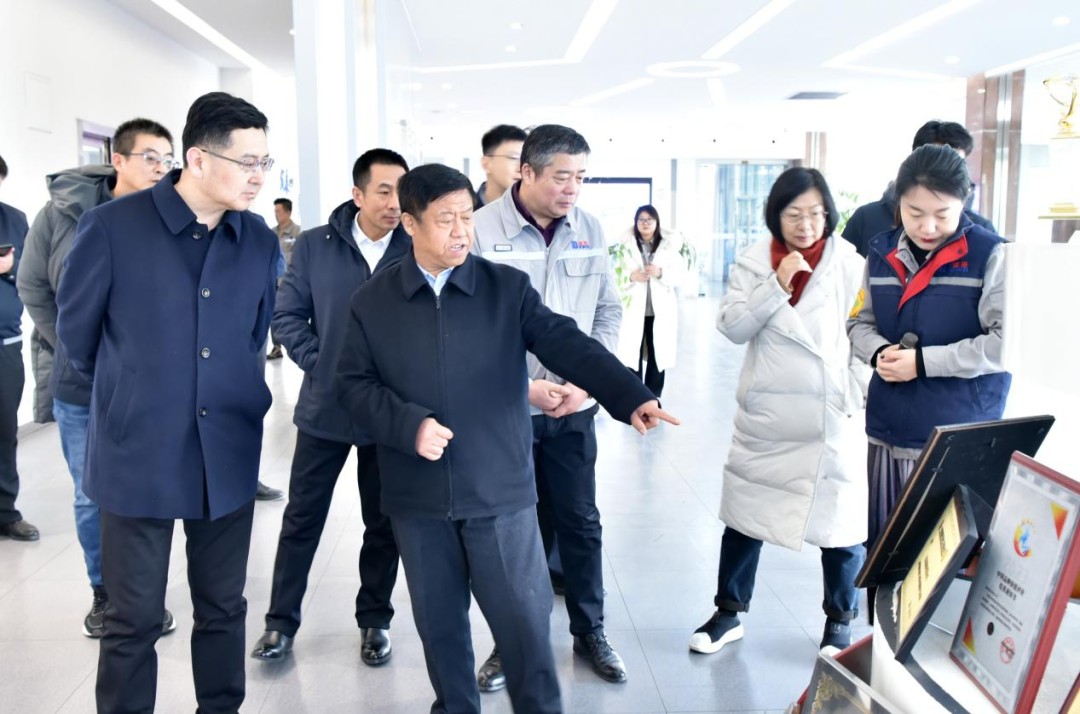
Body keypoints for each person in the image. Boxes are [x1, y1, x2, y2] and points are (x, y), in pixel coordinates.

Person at [336, 163, 678, 714]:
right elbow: (353, 385)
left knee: (524, 624)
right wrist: (409, 425)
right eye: (445, 219)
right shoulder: (373, 302)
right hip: (417, 497)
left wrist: (628, 393)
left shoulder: (505, 289)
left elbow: (566, 342)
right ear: (410, 223)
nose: (461, 232)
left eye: (467, 217)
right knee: (440, 627)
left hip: (498, 489)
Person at [56, 92, 280, 714]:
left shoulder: (258, 239)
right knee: (133, 619)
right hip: (138, 452)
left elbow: (254, 335)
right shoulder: (112, 228)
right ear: (198, 159)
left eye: (265, 162)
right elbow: (78, 337)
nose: (259, 176)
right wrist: (137, 393)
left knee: (223, 608)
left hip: (226, 449)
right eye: (247, 162)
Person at [471, 124, 628, 689]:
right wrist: (524, 388)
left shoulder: (590, 229)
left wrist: (588, 382)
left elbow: (608, 311)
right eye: (562, 176)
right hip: (508, 412)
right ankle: (511, 642)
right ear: (527, 172)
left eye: (581, 177)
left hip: (574, 410)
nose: (572, 189)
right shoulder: (480, 229)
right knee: (514, 533)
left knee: (580, 522)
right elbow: (467, 328)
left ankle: (591, 632)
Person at [690, 168, 869, 658]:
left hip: (830, 412)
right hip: (769, 412)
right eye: (794, 214)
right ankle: (728, 614)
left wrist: (854, 391)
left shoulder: (850, 264)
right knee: (746, 515)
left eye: (815, 213)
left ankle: (840, 620)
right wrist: (776, 284)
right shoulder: (754, 263)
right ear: (776, 215)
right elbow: (733, 326)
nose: (806, 224)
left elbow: (865, 331)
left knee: (839, 524)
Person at [17, 119, 180, 636]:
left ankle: (142, 592)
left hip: (148, 383)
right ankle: (105, 593)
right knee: (92, 492)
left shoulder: (171, 216)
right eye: (150, 157)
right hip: (80, 383)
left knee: (148, 487)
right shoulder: (62, 214)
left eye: (167, 159)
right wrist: (76, 344)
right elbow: (32, 284)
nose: (160, 168)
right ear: (119, 160)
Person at [251, 149, 410, 666]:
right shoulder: (316, 245)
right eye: (383, 191)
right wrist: (322, 364)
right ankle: (280, 623)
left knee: (382, 523)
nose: (395, 202)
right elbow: (287, 315)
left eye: (402, 191)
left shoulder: (416, 244)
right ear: (358, 194)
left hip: (388, 411)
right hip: (326, 407)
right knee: (302, 518)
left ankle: (375, 620)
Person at [848, 144, 1010, 548]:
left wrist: (921, 363)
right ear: (898, 202)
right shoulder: (881, 252)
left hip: (957, 433)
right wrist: (879, 353)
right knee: (886, 547)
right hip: (888, 428)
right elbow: (858, 322)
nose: (928, 226)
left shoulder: (991, 255)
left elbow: (1004, 345)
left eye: (942, 214)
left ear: (964, 202)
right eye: (915, 212)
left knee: (944, 556)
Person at [842, 120, 995, 257]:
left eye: (956, 164)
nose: (928, 229)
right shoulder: (867, 219)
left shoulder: (983, 233)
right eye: (916, 214)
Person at [612, 204, 689, 398]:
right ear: (636, 223)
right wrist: (631, 277)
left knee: (658, 352)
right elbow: (614, 274)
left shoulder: (669, 246)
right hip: (634, 308)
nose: (645, 223)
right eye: (641, 220)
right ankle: (635, 394)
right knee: (633, 350)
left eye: (649, 220)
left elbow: (680, 276)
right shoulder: (626, 245)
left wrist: (661, 273)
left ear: (656, 222)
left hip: (659, 309)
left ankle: (653, 396)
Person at [0, 155, 37, 542]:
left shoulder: (13, 218)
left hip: (5, 344)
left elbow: (30, 272)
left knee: (4, 431)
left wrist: (9, 267)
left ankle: (5, 513)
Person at [267, 197, 301, 360]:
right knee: (273, 313)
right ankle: (276, 346)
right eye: (275, 211)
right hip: (273, 281)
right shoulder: (271, 233)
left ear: (288, 212)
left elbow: (299, 258)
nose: (276, 214)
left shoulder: (297, 232)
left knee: (290, 314)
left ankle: (296, 345)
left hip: (290, 281)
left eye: (279, 211)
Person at [477, 124, 527, 207]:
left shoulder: (538, 210)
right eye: (513, 158)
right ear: (486, 164)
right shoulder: (464, 209)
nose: (521, 169)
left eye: (525, 159)